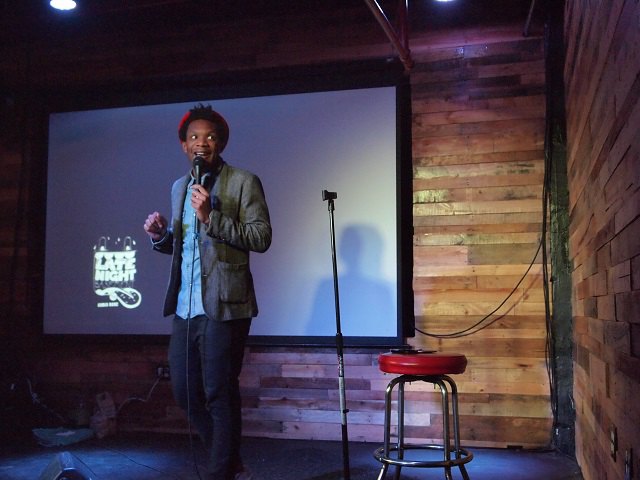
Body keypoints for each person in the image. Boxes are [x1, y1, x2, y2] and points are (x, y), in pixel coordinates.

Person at [143, 104, 272, 480]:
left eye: (210, 137)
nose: (202, 143)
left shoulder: (243, 181)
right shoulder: (178, 187)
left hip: (225, 305)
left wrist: (211, 218)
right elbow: (187, 247)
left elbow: (261, 236)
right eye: (195, 137)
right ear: (184, 145)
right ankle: (231, 463)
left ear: (221, 143)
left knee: (219, 392)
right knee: (185, 392)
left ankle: (220, 473)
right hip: (185, 307)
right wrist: (161, 237)